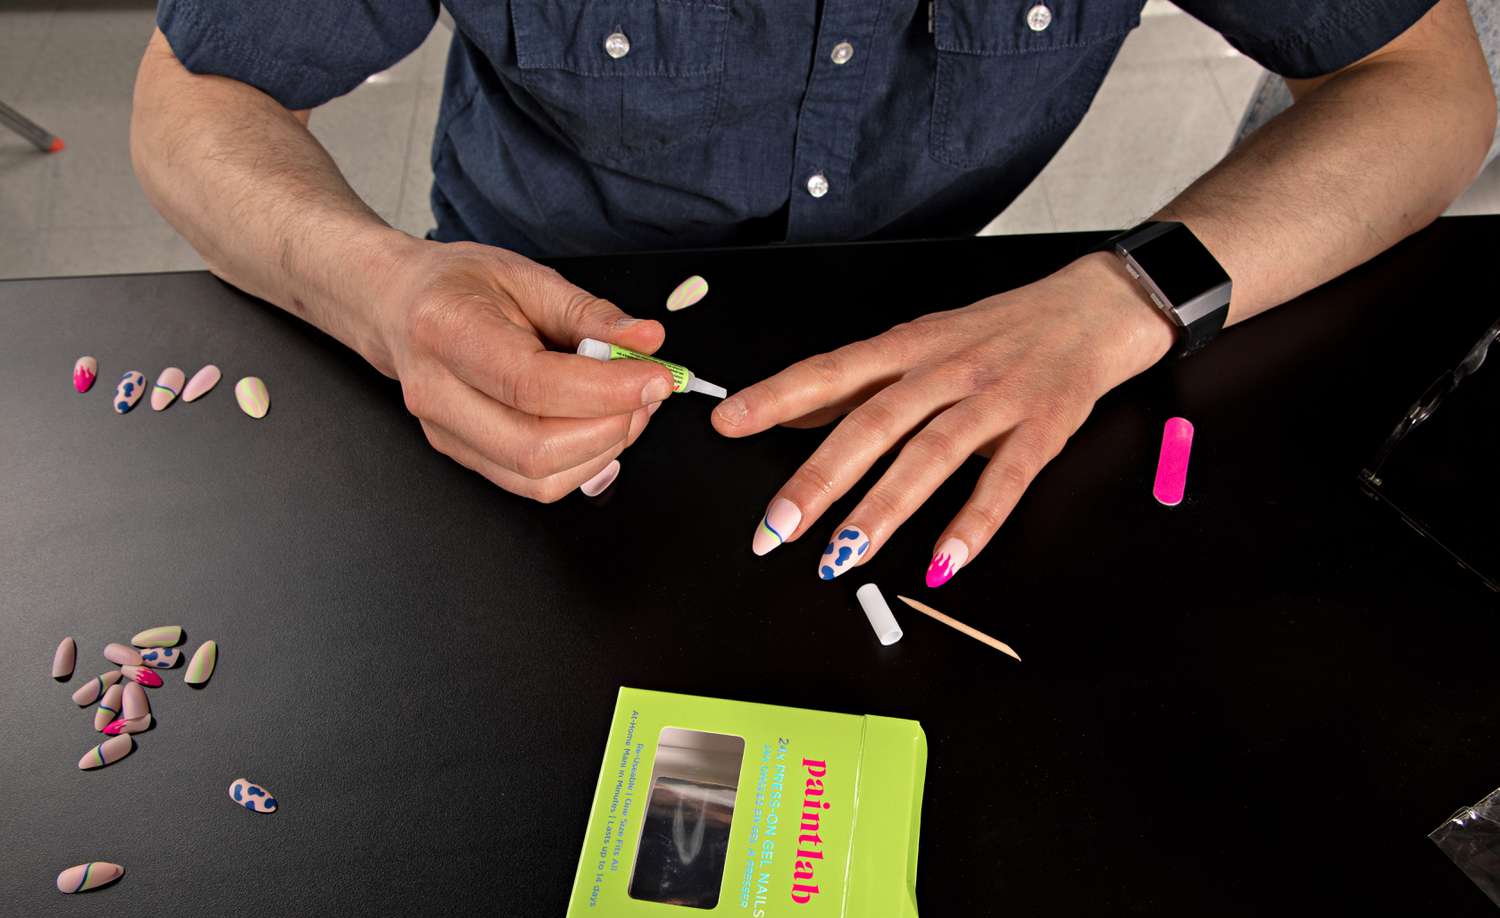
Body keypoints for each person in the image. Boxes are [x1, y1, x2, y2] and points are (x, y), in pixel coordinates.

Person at [131, 1, 1495, 585]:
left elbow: (1426, 86)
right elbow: (193, 101)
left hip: (984, 359)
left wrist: (1131, 293)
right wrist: (386, 292)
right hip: (521, 339)